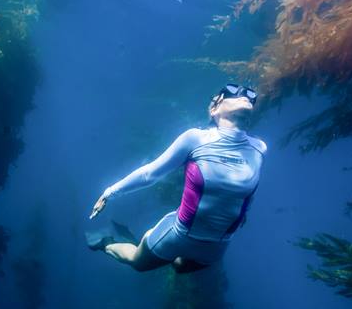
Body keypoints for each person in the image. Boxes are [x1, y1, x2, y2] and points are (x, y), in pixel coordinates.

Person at [88, 84, 267, 273]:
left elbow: (248, 192)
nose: (244, 95)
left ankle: (155, 248)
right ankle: (105, 242)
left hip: (218, 245)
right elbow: (150, 174)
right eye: (232, 93)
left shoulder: (259, 148)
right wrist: (109, 193)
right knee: (137, 262)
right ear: (214, 108)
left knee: (180, 268)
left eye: (250, 96)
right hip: (179, 234)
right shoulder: (196, 139)